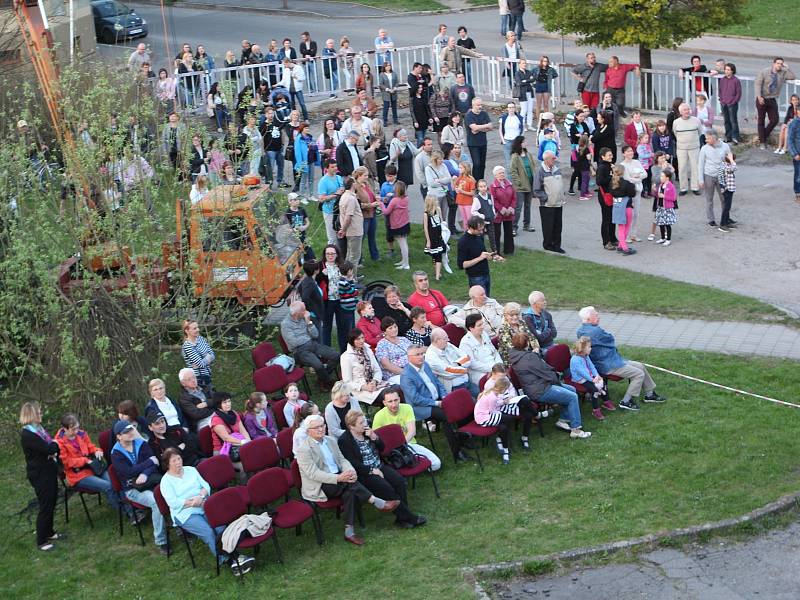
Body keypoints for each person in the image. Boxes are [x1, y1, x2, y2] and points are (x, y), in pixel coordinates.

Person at [296, 414, 400, 546]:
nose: (321, 429)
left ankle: (349, 532)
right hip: (320, 484)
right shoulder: (304, 450)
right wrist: (339, 477)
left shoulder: (330, 440)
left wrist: (350, 471)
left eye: (322, 425)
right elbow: (314, 474)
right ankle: (378, 502)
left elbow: (342, 459)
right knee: (349, 484)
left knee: (350, 490)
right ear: (308, 431)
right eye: (316, 427)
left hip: (340, 478)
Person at [159, 449, 255, 576]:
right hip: (185, 512)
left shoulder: (191, 470)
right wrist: (192, 502)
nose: (178, 462)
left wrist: (200, 497)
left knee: (220, 526)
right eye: (174, 461)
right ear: (167, 464)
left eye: (179, 458)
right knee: (208, 532)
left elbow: (206, 486)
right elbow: (173, 503)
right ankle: (228, 560)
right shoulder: (165, 481)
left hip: (203, 503)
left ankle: (235, 555)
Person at [338, 410, 427, 528]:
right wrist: (370, 470)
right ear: (351, 426)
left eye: (364, 420)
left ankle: (402, 517)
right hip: (365, 473)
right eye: (361, 423)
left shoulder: (367, 432)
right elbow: (352, 462)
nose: (365, 424)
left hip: (379, 465)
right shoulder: (344, 440)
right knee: (386, 488)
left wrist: (375, 438)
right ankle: (409, 517)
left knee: (400, 482)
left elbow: (382, 448)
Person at [577, 306, 666, 410]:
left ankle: (650, 394)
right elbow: (610, 339)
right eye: (595, 315)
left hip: (609, 360)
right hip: (608, 364)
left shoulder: (580, 330)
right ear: (588, 319)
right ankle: (626, 401)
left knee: (640, 366)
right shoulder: (595, 331)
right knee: (638, 374)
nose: (598, 316)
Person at [508, 333, 591, 439]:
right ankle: (576, 429)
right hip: (540, 390)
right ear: (527, 343)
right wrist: (557, 381)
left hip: (534, 387)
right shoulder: (529, 358)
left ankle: (563, 420)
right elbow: (546, 372)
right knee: (572, 396)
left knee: (572, 389)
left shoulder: (515, 356)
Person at [400, 346, 471, 462]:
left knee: (459, 406)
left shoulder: (425, 365)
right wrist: (436, 403)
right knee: (447, 416)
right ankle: (457, 452)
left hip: (437, 399)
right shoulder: (406, 376)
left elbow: (437, 382)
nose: (420, 356)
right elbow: (415, 399)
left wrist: (444, 396)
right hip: (421, 407)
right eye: (417, 355)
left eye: (421, 353)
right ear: (409, 358)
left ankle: (462, 439)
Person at [110, 420, 169, 553]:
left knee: (170, 491)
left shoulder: (141, 443)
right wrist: (148, 462)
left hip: (148, 480)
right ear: (119, 436)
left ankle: (179, 526)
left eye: (131, 430)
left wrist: (144, 473)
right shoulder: (116, 453)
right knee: (156, 502)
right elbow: (128, 472)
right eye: (126, 432)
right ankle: (161, 541)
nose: (130, 433)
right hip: (131, 488)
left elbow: (155, 464)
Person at [56, 413, 126, 513]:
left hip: (94, 468)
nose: (76, 431)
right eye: (73, 429)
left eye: (77, 427)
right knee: (108, 486)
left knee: (114, 481)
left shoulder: (81, 434)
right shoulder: (59, 442)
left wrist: (97, 451)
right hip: (78, 475)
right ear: (64, 429)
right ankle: (124, 511)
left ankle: (130, 508)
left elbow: (90, 446)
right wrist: (85, 460)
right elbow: (66, 462)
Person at [20, 402, 60, 551]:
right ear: (31, 415)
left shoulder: (38, 430)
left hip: (49, 471)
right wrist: (54, 446)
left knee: (52, 501)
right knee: (45, 505)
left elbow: (51, 450)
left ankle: (49, 532)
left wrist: (53, 449)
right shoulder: (29, 434)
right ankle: (41, 541)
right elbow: (50, 448)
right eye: (39, 412)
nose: (42, 414)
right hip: (40, 474)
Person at [372, 386, 441, 470]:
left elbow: (412, 431)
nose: (394, 404)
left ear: (399, 399)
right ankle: (408, 463)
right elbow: (376, 439)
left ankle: (410, 462)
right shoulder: (379, 416)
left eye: (396, 400)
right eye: (390, 401)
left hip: (408, 444)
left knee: (436, 464)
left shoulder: (407, 408)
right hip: (392, 450)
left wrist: (403, 446)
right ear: (384, 403)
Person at [474, 375, 538, 463]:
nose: (506, 391)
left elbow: (496, 404)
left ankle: (504, 447)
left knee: (506, 423)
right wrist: (504, 409)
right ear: (502, 389)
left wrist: (504, 402)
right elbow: (494, 410)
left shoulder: (493, 393)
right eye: (506, 389)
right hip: (484, 417)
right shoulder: (492, 396)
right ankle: (503, 444)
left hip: (488, 413)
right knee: (508, 419)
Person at [280, 301, 339, 391]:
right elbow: (293, 342)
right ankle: (328, 381)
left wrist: (309, 322)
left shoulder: (304, 318)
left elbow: (315, 335)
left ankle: (322, 377)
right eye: (304, 310)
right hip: (299, 351)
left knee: (336, 355)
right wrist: (307, 338)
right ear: (297, 313)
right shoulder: (286, 324)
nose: (306, 312)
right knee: (318, 365)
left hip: (313, 345)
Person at [754, 57, 796, 150]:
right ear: (773, 64)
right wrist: (759, 96)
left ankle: (762, 137)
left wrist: (788, 68)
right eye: (778, 63)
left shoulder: (783, 72)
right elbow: (758, 84)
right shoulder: (765, 72)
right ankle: (762, 142)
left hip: (772, 99)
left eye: (781, 64)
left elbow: (793, 76)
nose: (779, 65)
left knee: (775, 120)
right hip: (762, 98)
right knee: (761, 120)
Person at [341, 328, 387, 407]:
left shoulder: (368, 350)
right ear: (352, 341)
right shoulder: (346, 357)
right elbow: (347, 382)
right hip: (360, 390)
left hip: (375, 384)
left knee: (399, 389)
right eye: (358, 339)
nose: (361, 341)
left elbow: (377, 370)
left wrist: (375, 381)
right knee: (389, 394)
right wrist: (364, 387)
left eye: (362, 338)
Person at [570, 337, 613, 421]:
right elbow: (582, 372)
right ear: (582, 349)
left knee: (603, 382)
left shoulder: (586, 356)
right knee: (594, 390)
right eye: (589, 347)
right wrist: (592, 379)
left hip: (588, 376)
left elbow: (592, 366)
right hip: (580, 379)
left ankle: (606, 400)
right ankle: (595, 410)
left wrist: (597, 375)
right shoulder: (575, 360)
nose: (591, 348)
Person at [425, 327, 477, 396]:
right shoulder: (431, 357)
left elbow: (467, 357)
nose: (448, 340)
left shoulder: (447, 345)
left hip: (467, 381)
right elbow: (449, 372)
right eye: (445, 338)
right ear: (437, 340)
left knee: (483, 396)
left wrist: (456, 364)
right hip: (455, 388)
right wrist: (464, 370)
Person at [210, 392, 251, 479]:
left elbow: (242, 430)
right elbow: (226, 438)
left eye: (229, 401)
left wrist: (248, 441)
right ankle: (245, 486)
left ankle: (257, 479)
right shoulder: (216, 420)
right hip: (223, 450)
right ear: (218, 405)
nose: (228, 404)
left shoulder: (234, 413)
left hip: (238, 444)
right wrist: (242, 442)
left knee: (253, 457)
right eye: (224, 402)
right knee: (243, 466)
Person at [533, 150, 566, 254]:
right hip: (547, 205)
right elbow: (536, 190)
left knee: (558, 226)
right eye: (553, 158)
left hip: (558, 203)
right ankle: (548, 245)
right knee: (548, 226)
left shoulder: (556, 169)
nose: (554, 159)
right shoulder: (540, 172)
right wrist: (546, 198)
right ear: (546, 159)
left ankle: (557, 245)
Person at [457, 216, 498, 297]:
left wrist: (491, 256)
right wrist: (480, 258)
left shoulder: (479, 236)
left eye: (482, 229)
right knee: (480, 302)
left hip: (486, 273)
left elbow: (482, 253)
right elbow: (462, 264)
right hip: (475, 277)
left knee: (487, 300)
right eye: (479, 230)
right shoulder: (463, 242)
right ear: (471, 228)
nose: (482, 231)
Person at [698, 129, 732, 228]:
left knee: (724, 199)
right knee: (709, 199)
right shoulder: (704, 148)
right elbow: (701, 164)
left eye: (708, 138)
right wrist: (701, 179)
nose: (706, 140)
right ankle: (711, 219)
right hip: (708, 176)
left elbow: (729, 160)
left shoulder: (725, 146)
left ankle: (726, 218)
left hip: (722, 176)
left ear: (714, 138)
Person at [459, 314, 502, 386]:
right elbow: (472, 364)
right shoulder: (465, 343)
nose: (482, 327)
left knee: (505, 380)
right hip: (479, 372)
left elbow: (494, 351)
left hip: (495, 366)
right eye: (479, 325)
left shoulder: (484, 334)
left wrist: (499, 364)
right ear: (471, 328)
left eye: (482, 324)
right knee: (497, 384)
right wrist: (492, 368)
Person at [671, 103, 702, 196]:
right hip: (681, 149)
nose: (687, 111)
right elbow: (675, 133)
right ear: (680, 112)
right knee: (682, 168)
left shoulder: (696, 121)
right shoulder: (676, 122)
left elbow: (699, 132)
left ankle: (695, 187)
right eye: (685, 110)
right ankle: (683, 188)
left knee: (695, 168)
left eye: (688, 109)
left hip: (694, 148)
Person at [620, 145, 647, 243]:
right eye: (627, 151)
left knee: (636, 214)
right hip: (629, 193)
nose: (630, 153)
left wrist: (637, 177)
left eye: (631, 151)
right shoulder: (622, 165)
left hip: (638, 191)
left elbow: (645, 174)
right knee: (628, 214)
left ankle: (633, 234)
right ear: (623, 154)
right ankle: (626, 236)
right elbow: (627, 179)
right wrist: (637, 178)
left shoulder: (637, 162)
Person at [338, 176, 364, 276]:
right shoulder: (351, 199)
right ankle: (352, 279)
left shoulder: (344, 196)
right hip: (354, 231)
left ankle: (346, 277)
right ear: (353, 184)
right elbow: (348, 216)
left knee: (350, 256)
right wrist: (343, 230)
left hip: (350, 230)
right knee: (354, 257)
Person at [509, 135, 535, 234]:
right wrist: (518, 182)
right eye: (524, 142)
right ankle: (513, 227)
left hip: (530, 184)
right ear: (519, 144)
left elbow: (533, 166)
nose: (525, 143)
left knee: (528, 206)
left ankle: (527, 225)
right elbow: (513, 170)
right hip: (520, 186)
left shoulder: (528, 154)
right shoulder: (515, 156)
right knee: (518, 207)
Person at [375, 317, 413, 382]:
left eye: (395, 326)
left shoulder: (403, 339)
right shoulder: (382, 344)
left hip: (412, 369)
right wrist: (406, 373)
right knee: (412, 381)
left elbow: (415, 351)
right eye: (390, 328)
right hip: (395, 374)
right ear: (384, 331)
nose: (394, 329)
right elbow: (386, 365)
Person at [383, 179, 411, 270]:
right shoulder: (406, 198)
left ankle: (406, 264)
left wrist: (380, 203)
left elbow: (386, 212)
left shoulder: (394, 200)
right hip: (405, 224)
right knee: (404, 243)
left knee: (403, 244)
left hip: (397, 225)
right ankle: (403, 261)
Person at [181, 319, 215, 392]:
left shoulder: (201, 339)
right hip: (197, 379)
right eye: (194, 328)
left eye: (197, 327)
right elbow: (201, 364)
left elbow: (212, 355)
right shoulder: (187, 346)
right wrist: (207, 356)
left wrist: (205, 359)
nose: (198, 330)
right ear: (187, 331)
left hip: (207, 375)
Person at [465, 98, 493, 181]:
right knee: (476, 164)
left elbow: (491, 126)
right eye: (478, 105)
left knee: (482, 164)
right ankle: (475, 183)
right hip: (473, 143)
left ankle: (481, 182)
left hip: (483, 142)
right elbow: (473, 127)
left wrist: (478, 128)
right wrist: (485, 126)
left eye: (481, 105)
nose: (480, 106)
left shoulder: (484, 114)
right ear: (473, 105)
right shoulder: (469, 116)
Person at [595, 147, 617, 251]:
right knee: (606, 219)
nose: (611, 156)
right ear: (603, 156)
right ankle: (606, 241)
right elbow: (599, 181)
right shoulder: (602, 167)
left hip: (611, 194)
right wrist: (611, 176)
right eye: (609, 155)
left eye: (611, 154)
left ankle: (613, 238)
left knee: (613, 218)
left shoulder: (609, 166)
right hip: (605, 196)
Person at [654, 166, 678, 244]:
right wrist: (655, 191)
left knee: (667, 224)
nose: (660, 178)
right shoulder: (661, 185)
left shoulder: (671, 186)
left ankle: (668, 239)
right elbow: (658, 195)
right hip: (661, 207)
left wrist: (664, 196)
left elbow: (674, 198)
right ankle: (662, 238)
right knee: (661, 223)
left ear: (667, 178)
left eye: (662, 176)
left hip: (667, 208)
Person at [717, 154, 738, 230]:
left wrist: (730, 159)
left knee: (727, 207)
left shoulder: (724, 165)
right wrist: (731, 159)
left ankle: (727, 222)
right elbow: (735, 168)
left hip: (728, 189)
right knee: (726, 207)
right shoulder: (726, 167)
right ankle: (722, 224)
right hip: (727, 189)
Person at [787, 110, 800, 204]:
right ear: (798, 112)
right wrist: (794, 153)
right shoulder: (794, 123)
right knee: (799, 175)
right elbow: (790, 139)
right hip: (798, 154)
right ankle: (798, 194)